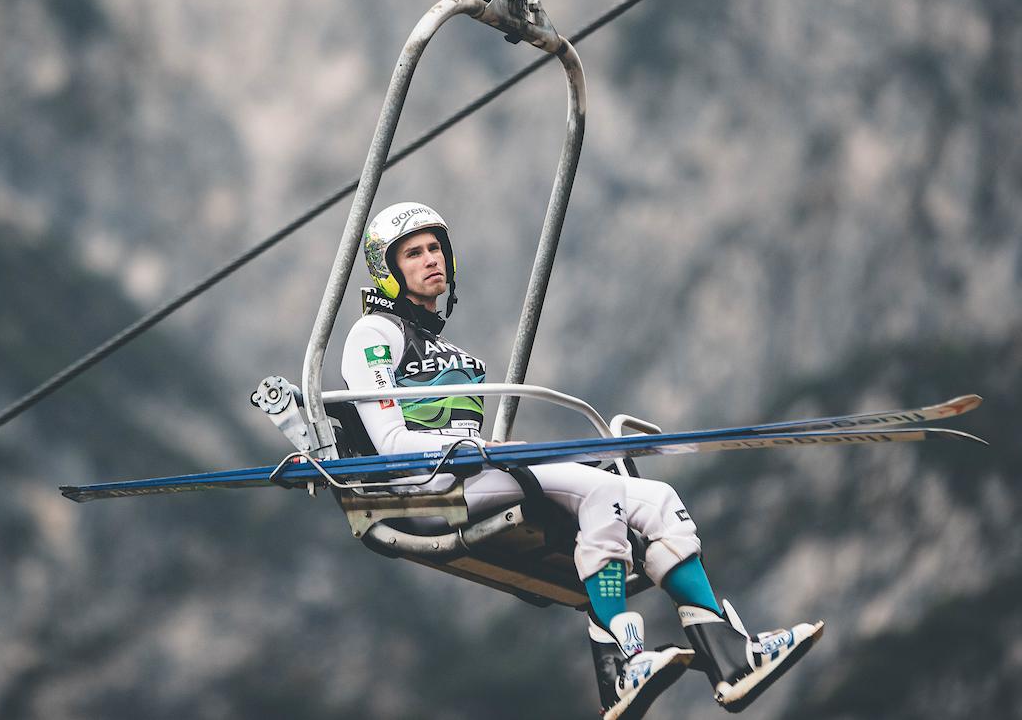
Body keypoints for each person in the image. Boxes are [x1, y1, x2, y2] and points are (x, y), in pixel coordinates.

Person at [340, 202, 823, 718]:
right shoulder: (375, 335)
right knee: (601, 490)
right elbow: (391, 443)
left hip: (476, 471)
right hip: (430, 487)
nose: (431, 259)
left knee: (658, 499)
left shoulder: (443, 346)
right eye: (413, 253)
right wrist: (464, 450)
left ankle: (727, 653)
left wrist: (481, 453)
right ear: (387, 271)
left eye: (436, 248)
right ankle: (618, 656)